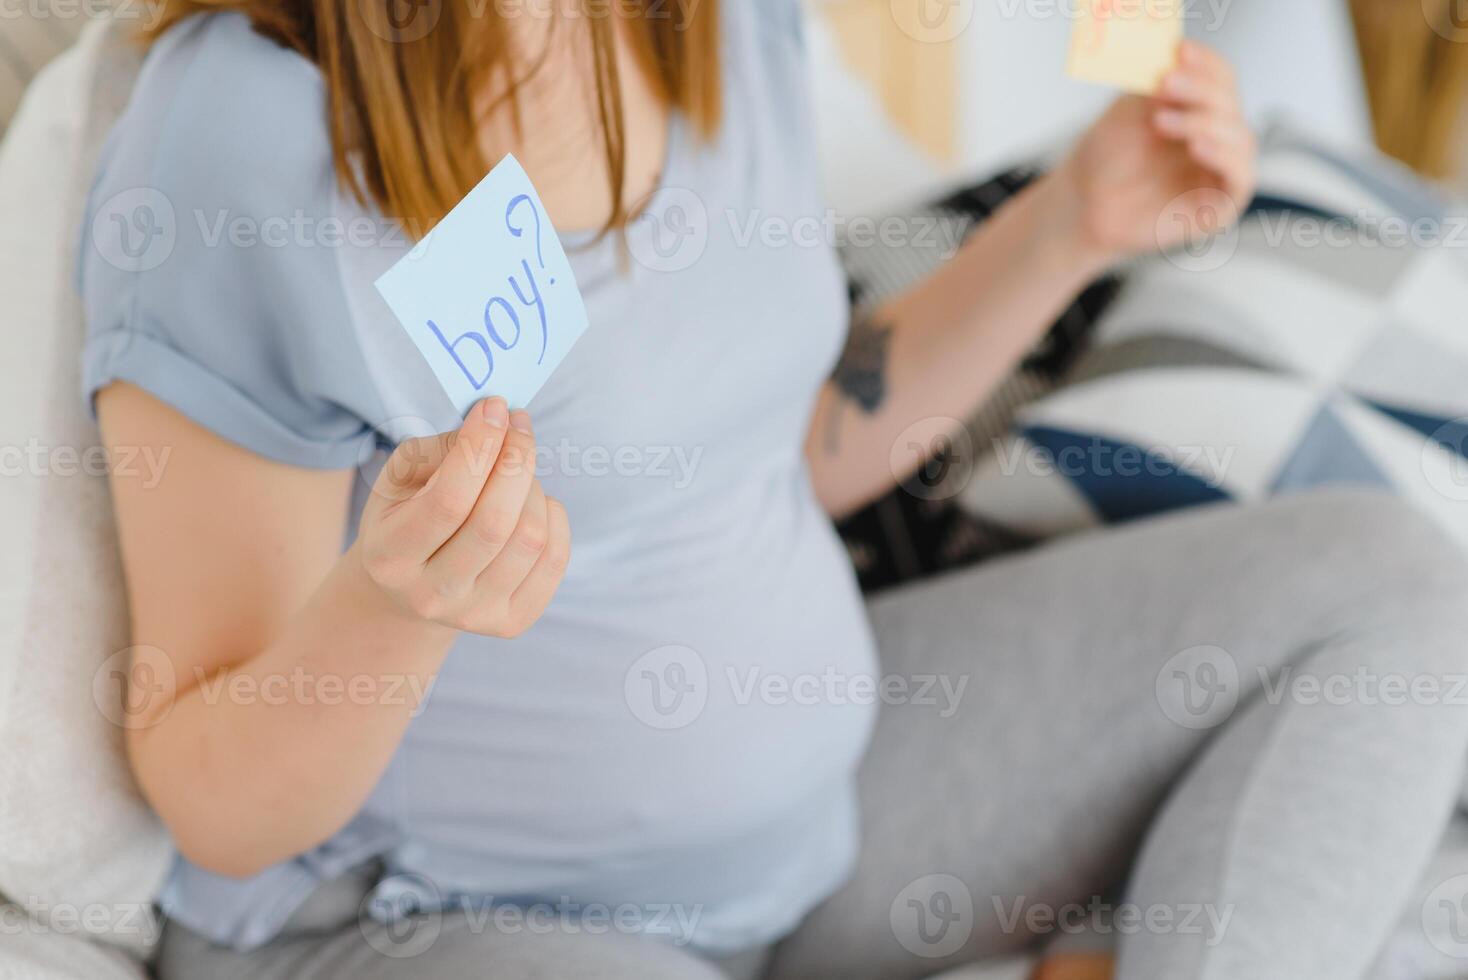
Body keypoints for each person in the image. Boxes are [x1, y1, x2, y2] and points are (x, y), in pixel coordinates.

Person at [80, 2, 1468, 978]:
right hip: (447, 919)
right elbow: (210, 793)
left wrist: (1069, 227)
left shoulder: (715, 21)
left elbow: (785, 439)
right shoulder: (249, 126)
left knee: (1392, 590)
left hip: (819, 839)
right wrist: (397, 607)